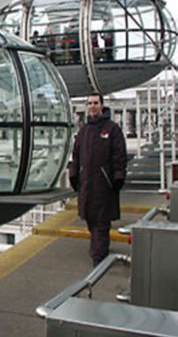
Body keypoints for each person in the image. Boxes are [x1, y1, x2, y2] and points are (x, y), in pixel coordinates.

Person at [69, 92, 127, 267]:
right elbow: (76, 156)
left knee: (102, 222)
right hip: (86, 184)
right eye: (89, 103)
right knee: (91, 220)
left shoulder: (112, 129)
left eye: (95, 103)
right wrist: (73, 175)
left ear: (102, 105)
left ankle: (98, 258)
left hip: (104, 185)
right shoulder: (84, 132)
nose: (92, 106)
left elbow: (119, 155)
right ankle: (100, 250)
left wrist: (118, 177)